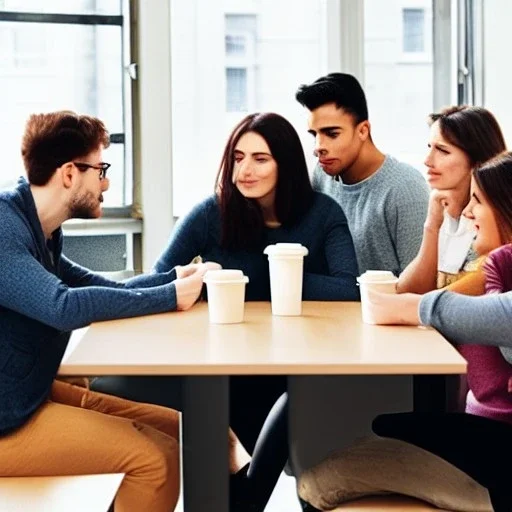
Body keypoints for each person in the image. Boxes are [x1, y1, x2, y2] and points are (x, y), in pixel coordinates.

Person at [94, 111, 360, 512]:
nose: (245, 170)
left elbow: (349, 289)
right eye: (238, 157)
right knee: (231, 465)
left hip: (294, 363)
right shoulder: (211, 213)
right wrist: (194, 280)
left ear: (285, 164)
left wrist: (263, 278)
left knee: (297, 400)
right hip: (220, 364)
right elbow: (161, 278)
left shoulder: (322, 214)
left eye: (260, 158)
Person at [0, 111, 249, 512]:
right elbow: (62, 306)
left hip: (27, 396)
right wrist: (170, 296)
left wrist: (174, 279)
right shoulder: (4, 228)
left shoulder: (39, 230)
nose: (107, 182)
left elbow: (103, 289)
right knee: (153, 463)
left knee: (203, 435)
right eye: (101, 169)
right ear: (68, 173)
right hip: (9, 420)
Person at [366, 151, 512, 511]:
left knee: (341, 462)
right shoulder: (497, 264)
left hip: (500, 449)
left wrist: (409, 307)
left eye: (477, 201)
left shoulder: (493, 269)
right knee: (382, 426)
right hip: (486, 433)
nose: (466, 212)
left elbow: (499, 322)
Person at [295, 72, 430, 276]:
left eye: (332, 134)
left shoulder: (405, 188)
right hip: (330, 304)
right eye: (315, 135)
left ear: (363, 131)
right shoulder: (322, 176)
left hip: (386, 307)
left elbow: (420, 286)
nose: (318, 147)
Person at [397, 105, 506, 294]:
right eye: (430, 147)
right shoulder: (440, 209)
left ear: (478, 160)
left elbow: (433, 304)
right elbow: (408, 291)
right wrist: (431, 225)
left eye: (442, 151)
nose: (428, 161)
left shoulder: (491, 224)